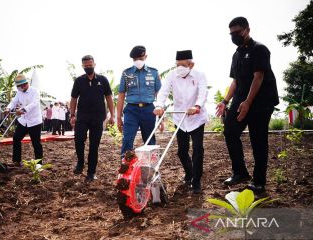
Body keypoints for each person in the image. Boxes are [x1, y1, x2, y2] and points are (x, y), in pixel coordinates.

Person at [216, 17, 279, 193]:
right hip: (241, 98)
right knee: (230, 131)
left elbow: (258, 77)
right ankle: (240, 172)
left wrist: (248, 102)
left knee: (258, 139)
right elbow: (235, 80)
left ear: (247, 30)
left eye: (237, 32)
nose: (234, 36)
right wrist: (225, 101)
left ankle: (259, 181)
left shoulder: (260, 49)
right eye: (231, 33)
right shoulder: (236, 54)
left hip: (261, 101)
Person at [154, 50, 208, 193]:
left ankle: (196, 181)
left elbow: (203, 93)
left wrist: (197, 106)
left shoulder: (199, 76)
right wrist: (159, 105)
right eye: (177, 65)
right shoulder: (172, 75)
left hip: (196, 117)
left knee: (197, 150)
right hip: (180, 118)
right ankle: (189, 173)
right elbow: (163, 91)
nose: (179, 68)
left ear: (191, 64)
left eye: (183, 65)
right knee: (182, 152)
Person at [70, 55, 115, 181]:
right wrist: (72, 115)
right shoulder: (79, 81)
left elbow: (109, 98)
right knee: (79, 140)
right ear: (83, 66)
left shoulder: (103, 80)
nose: (88, 67)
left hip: (98, 117)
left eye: (90, 65)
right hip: (82, 117)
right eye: (86, 66)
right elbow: (73, 99)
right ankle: (80, 163)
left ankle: (91, 172)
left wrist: (112, 115)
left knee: (94, 146)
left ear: (94, 64)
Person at [117, 45, 161, 158]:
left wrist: (161, 118)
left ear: (145, 57)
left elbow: (159, 95)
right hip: (131, 110)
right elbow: (121, 96)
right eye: (135, 59)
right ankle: (126, 170)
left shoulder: (154, 73)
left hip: (149, 110)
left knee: (150, 141)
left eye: (140, 59)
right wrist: (118, 118)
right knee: (127, 140)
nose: (138, 61)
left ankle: (151, 170)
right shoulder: (126, 73)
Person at [5, 74, 43, 166]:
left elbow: (34, 103)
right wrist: (8, 108)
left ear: (24, 85)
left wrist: (23, 110)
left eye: (19, 86)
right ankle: (17, 161)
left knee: (36, 143)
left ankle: (39, 163)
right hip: (24, 121)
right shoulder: (19, 92)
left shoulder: (35, 91)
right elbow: (14, 101)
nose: (18, 88)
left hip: (34, 121)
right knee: (16, 138)